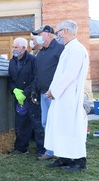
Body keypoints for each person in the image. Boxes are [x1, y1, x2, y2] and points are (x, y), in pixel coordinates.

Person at [44, 20, 89, 172]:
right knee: (61, 127)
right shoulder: (69, 48)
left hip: (69, 97)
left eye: (58, 32)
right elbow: (60, 74)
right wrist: (52, 90)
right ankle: (64, 157)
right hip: (62, 96)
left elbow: (69, 75)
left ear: (66, 31)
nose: (57, 35)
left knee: (71, 128)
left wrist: (53, 91)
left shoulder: (76, 49)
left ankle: (79, 161)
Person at [31, 25, 64, 160]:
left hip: (55, 95)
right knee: (45, 123)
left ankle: (62, 151)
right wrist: (34, 90)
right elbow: (37, 74)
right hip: (42, 94)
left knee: (58, 123)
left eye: (40, 34)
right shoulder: (41, 52)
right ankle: (50, 151)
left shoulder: (60, 49)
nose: (38, 38)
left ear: (50, 34)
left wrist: (57, 90)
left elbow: (64, 73)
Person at [8, 37, 45, 157]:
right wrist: (14, 90)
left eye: (16, 47)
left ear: (24, 48)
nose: (13, 49)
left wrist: (25, 93)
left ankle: (42, 150)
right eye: (13, 47)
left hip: (31, 96)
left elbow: (36, 79)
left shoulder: (32, 60)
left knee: (36, 122)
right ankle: (21, 148)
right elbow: (10, 79)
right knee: (21, 122)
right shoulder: (12, 61)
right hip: (19, 98)